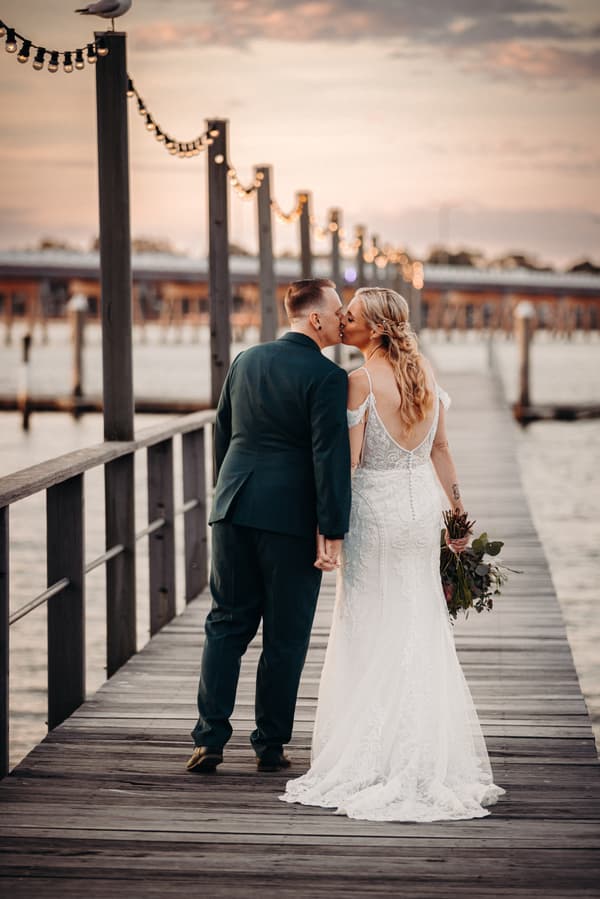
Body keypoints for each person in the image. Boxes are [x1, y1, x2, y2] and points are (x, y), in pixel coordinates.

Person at [281, 286, 505, 821]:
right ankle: (426, 752)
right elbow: (442, 450)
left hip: (374, 515)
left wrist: (326, 530)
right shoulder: (423, 373)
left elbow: (351, 467)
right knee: (417, 621)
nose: (342, 323)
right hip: (420, 512)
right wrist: (457, 517)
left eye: (351, 317)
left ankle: (373, 756)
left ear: (375, 329)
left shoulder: (357, 383)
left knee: (366, 626)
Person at [186, 278, 351, 774]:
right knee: (285, 634)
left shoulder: (245, 360)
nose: (344, 318)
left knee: (226, 623)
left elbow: (223, 432)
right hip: (290, 520)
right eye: (339, 309)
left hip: (233, 508)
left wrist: (224, 497)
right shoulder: (327, 377)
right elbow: (328, 457)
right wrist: (333, 527)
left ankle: (208, 738)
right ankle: (269, 745)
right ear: (315, 318)